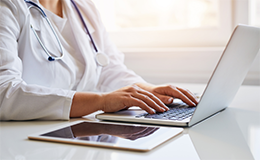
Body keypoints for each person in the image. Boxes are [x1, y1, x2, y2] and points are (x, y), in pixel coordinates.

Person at [0, 0, 198, 120]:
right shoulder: (7, 7)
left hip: (78, 132)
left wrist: (147, 90)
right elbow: (4, 93)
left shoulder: (83, 7)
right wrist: (100, 101)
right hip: (27, 141)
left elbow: (108, 68)